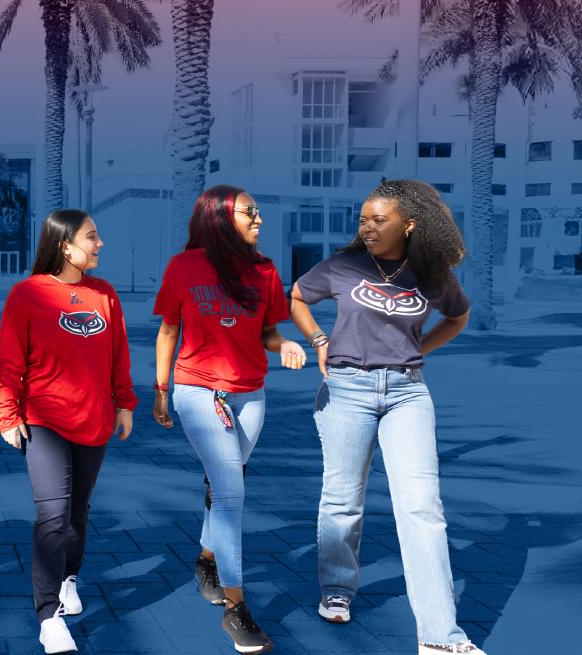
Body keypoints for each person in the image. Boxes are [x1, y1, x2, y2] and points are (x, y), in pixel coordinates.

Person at [289, 179, 488, 655]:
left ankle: (440, 638)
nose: (369, 228)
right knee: (342, 500)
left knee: (423, 507)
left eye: (380, 220)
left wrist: (421, 347)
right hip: (347, 390)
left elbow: (458, 317)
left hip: (407, 393)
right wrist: (318, 339)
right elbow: (295, 296)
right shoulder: (343, 265)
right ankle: (337, 588)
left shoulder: (430, 272)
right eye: (364, 220)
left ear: (410, 224)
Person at [149, 186, 305, 654]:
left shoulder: (264, 268)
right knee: (233, 494)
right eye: (249, 212)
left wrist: (288, 346)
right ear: (219, 218)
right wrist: (160, 392)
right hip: (198, 392)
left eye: (259, 210)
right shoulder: (184, 267)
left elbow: (269, 331)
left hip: (251, 396)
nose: (259, 218)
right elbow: (168, 330)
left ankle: (205, 560)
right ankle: (236, 610)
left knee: (224, 486)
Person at [0, 209, 136, 654]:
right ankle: (48, 615)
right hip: (45, 421)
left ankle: (70, 578)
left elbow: (118, 355)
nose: (99, 244)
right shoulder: (27, 294)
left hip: (94, 421)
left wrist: (125, 402)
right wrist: (8, 412)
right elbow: (10, 360)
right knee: (52, 517)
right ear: (64, 245)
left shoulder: (104, 294)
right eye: (92, 237)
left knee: (77, 514)